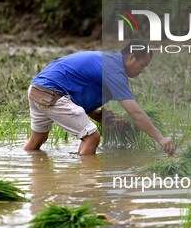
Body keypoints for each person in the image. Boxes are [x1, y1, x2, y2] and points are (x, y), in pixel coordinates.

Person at [23, 40, 176, 156]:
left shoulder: (109, 62)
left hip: (37, 89)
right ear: (131, 57)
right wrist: (161, 139)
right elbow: (136, 114)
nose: (141, 71)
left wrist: (106, 119)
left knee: (38, 139)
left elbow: (80, 102)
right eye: (142, 65)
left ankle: (27, 163)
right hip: (52, 93)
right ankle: (85, 186)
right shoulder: (115, 70)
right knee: (92, 137)